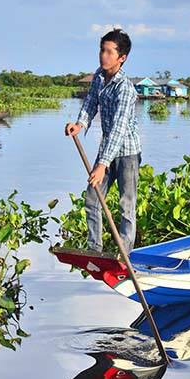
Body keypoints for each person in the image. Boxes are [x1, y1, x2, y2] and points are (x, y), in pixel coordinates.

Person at [65, 28, 141, 253]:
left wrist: (102, 164)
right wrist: (79, 125)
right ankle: (94, 250)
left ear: (122, 58)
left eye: (109, 52)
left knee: (126, 206)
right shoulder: (99, 76)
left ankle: (124, 254)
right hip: (108, 149)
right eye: (102, 50)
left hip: (127, 152)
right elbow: (90, 103)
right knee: (92, 199)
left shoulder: (125, 88)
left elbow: (118, 128)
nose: (103, 56)